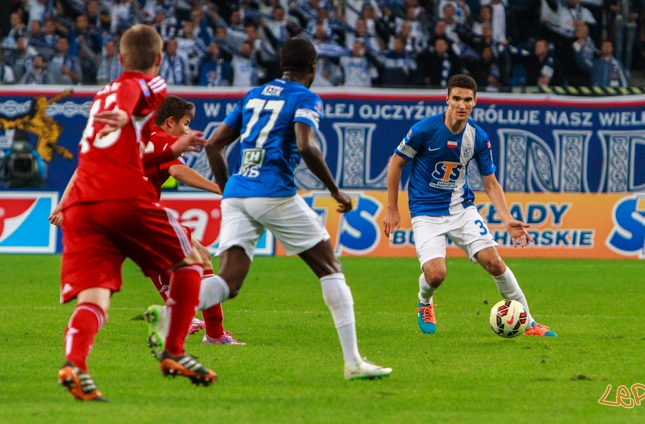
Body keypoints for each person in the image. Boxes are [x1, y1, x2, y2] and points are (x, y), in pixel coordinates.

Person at [189, 38, 391, 380]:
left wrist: (228, 191)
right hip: (274, 191)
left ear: (282, 65)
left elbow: (213, 145)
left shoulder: (254, 95)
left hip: (238, 192)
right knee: (330, 268)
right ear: (313, 67)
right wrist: (335, 191)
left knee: (229, 281)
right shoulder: (305, 97)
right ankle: (354, 363)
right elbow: (306, 146)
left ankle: (168, 313)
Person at [49, 25, 216, 402]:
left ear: (120, 58)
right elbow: (134, 93)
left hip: (83, 205)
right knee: (192, 262)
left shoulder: (99, 98)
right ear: (157, 59)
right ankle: (174, 351)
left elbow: (110, 151)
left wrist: (171, 149)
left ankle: (75, 364)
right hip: (123, 197)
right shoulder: (149, 86)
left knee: (94, 298)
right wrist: (128, 114)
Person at [382, 74, 557, 338]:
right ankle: (425, 301)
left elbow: (491, 183)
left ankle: (529, 323)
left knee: (495, 263)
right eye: (456, 99)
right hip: (425, 212)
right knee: (436, 274)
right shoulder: (423, 130)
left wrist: (507, 219)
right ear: (447, 99)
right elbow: (396, 163)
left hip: (461, 209)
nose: (461, 105)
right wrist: (392, 209)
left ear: (475, 102)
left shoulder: (477, 137)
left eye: (467, 100)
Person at [143, 96, 244, 346]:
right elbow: (178, 171)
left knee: (175, 258)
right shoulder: (164, 140)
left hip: (115, 211)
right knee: (201, 257)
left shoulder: (139, 137)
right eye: (186, 123)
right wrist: (221, 188)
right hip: (141, 211)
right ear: (170, 122)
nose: (187, 130)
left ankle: (183, 316)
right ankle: (214, 334)